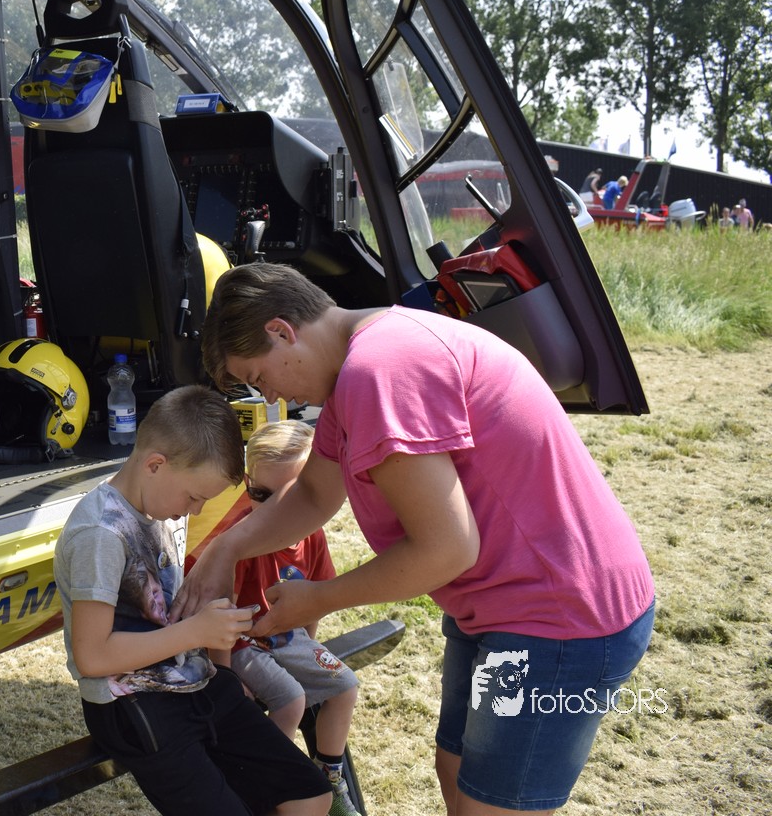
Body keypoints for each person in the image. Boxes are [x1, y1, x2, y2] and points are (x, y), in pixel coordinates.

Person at [174, 263, 655, 816]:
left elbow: (446, 549)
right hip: (500, 603)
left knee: (489, 805)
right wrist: (225, 548)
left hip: (558, 616)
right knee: (455, 770)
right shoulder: (367, 359)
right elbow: (312, 493)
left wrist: (318, 599)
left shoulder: (379, 371)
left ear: (282, 331)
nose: (270, 395)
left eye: (259, 378)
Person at [55, 384, 331, 816]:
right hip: (136, 706)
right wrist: (196, 631)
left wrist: (216, 640)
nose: (196, 511)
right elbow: (92, 657)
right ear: (155, 465)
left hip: (195, 684)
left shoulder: (157, 505)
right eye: (195, 497)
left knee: (311, 795)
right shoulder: (101, 534)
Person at [202, 420, 362, 816]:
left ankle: (330, 779)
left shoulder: (312, 535)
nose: (270, 508)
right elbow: (220, 618)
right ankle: (269, 784)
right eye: (260, 494)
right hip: (241, 643)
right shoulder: (241, 540)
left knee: (345, 686)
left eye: (286, 496)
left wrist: (308, 649)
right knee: (291, 701)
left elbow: (314, 604)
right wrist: (226, 679)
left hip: (286, 639)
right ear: (247, 484)